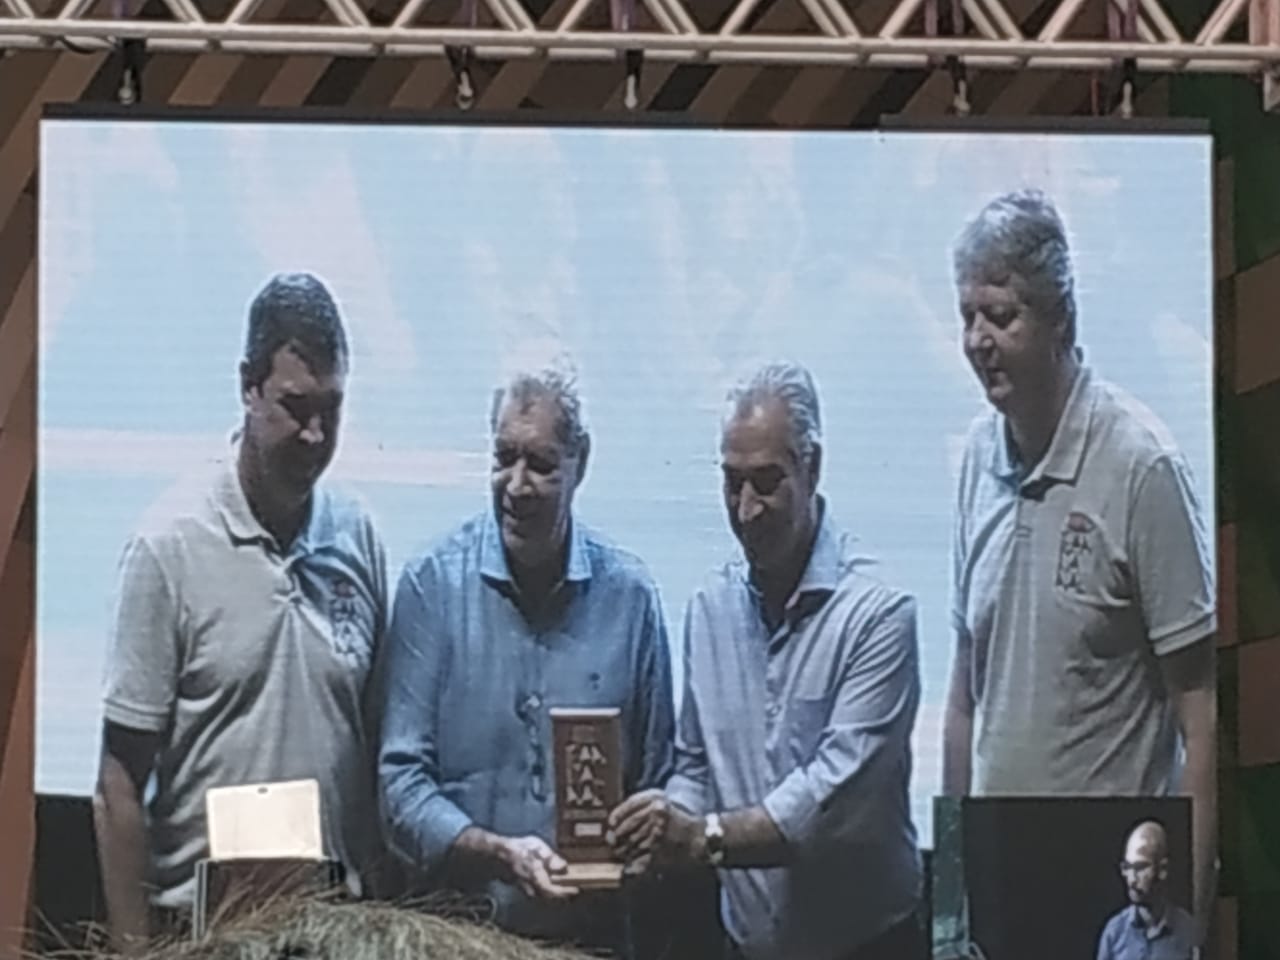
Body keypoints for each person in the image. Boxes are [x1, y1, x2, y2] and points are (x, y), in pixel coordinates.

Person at [940, 189, 1218, 940]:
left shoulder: (1142, 467)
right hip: (1002, 872)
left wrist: (1187, 928)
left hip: (1111, 875)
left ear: (1061, 318)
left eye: (1000, 316)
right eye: (967, 316)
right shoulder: (973, 459)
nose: (977, 340)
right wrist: (952, 889)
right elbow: (964, 692)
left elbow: (1198, 709)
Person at [93, 273, 389, 948]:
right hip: (205, 934)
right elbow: (118, 783)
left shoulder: (359, 537)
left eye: (333, 408)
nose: (316, 434)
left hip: (335, 929)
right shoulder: (168, 545)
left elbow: (375, 751)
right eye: (295, 406)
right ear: (248, 387)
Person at [609, 361, 924, 960]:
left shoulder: (879, 613)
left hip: (868, 947)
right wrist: (664, 821)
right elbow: (696, 767)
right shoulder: (709, 610)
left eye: (766, 482)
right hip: (745, 945)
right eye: (732, 483)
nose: (746, 509)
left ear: (813, 467)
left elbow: (830, 801)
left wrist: (701, 837)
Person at [377, 357, 675, 955]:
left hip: (591, 942)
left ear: (580, 461)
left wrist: (652, 836)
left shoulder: (630, 599)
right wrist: (497, 854)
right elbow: (399, 784)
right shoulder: (431, 586)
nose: (516, 486)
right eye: (503, 457)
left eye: (539, 464)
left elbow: (661, 780)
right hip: (454, 939)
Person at [1096, 821, 1197, 960]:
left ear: (1163, 869)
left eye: (1140, 867)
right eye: (1127, 867)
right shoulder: (1114, 932)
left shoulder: (1188, 932)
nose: (1131, 879)